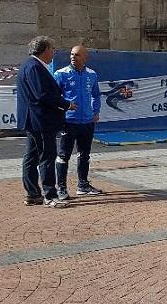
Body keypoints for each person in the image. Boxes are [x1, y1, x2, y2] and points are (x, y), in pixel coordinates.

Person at [16, 36, 76, 209]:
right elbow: (42, 94)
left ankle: (33, 194)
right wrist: (66, 104)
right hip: (40, 121)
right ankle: (50, 195)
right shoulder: (34, 66)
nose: (54, 53)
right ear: (44, 50)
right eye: (52, 49)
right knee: (47, 157)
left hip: (34, 120)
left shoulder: (29, 65)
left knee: (31, 156)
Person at [53, 45, 102, 198]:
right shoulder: (61, 74)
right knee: (63, 155)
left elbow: (96, 95)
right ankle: (61, 188)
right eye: (72, 54)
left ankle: (83, 185)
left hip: (87, 122)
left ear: (85, 57)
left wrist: (95, 111)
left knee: (84, 154)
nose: (73, 57)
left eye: (78, 55)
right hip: (69, 121)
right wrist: (62, 112)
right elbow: (55, 97)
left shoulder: (92, 74)